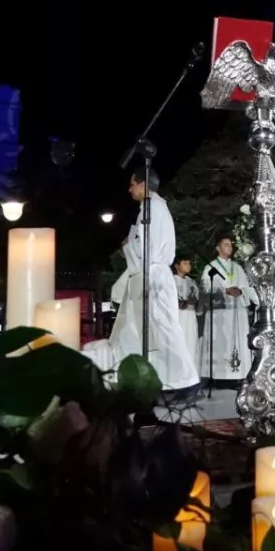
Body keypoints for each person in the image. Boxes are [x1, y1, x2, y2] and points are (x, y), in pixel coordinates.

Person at [83, 169, 200, 395]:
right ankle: (124, 379)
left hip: (152, 275)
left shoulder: (153, 208)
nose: (129, 189)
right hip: (143, 275)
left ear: (143, 184)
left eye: (132, 184)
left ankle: (186, 381)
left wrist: (129, 244)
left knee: (163, 327)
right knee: (130, 329)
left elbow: (148, 249)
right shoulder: (151, 208)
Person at [199, 235, 258, 383]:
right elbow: (205, 288)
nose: (229, 247)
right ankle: (219, 377)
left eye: (230, 245)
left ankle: (238, 375)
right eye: (225, 244)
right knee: (220, 342)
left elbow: (246, 286)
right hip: (220, 312)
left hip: (237, 310)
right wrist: (224, 290)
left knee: (237, 342)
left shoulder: (237, 267)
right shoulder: (211, 267)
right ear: (218, 248)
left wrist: (241, 291)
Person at [173, 256, 199, 367]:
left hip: (190, 318)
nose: (188, 265)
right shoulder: (171, 280)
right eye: (185, 263)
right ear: (177, 266)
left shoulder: (192, 282)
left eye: (189, 263)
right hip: (177, 318)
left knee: (191, 345)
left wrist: (193, 301)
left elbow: (197, 301)